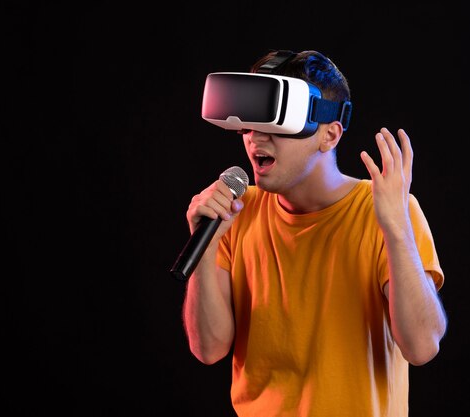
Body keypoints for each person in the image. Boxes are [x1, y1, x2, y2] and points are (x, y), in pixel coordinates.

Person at [182, 49, 447, 417]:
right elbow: (208, 348)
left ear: (329, 135)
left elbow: (421, 347)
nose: (256, 139)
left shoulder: (388, 211)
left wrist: (397, 231)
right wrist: (205, 247)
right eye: (250, 125)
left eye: (276, 125)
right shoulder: (234, 212)